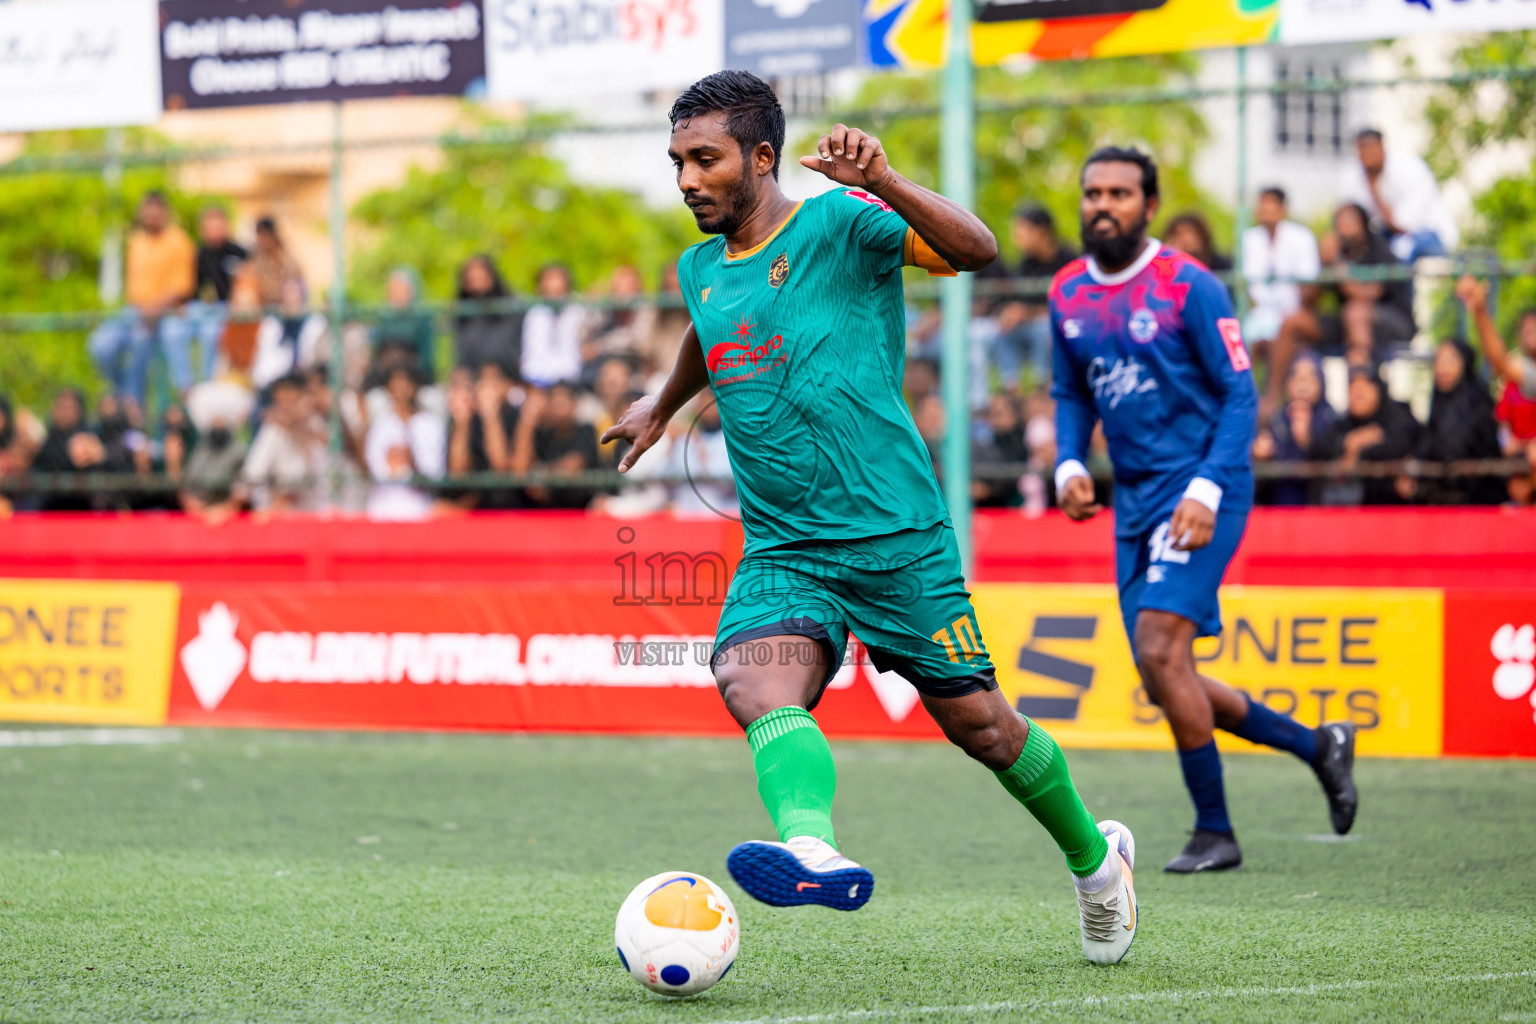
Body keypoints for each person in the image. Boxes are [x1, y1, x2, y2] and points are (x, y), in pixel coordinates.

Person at [601, 70, 1138, 965]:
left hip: (896, 539)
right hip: (783, 545)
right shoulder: (699, 266)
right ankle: (810, 845)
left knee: (986, 729)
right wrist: (664, 404)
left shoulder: (843, 223)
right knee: (749, 677)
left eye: (706, 159)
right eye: (677, 161)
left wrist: (882, 181)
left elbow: (977, 250)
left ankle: (1097, 864)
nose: (688, 178)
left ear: (762, 158)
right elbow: (711, 324)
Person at [1050, 146, 1358, 875]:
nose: (1104, 204)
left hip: (1203, 489)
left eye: (1121, 193)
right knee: (1167, 675)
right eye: (1093, 192)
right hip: (1134, 500)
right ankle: (1320, 746)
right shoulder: (1066, 292)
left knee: (1159, 650)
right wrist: (1068, 461)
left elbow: (1242, 396)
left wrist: (1208, 488)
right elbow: (1070, 393)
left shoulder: (1190, 286)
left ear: (1149, 206)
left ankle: (1215, 831)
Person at [1266, 203, 1416, 415]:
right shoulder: (1338, 253)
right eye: (1340, 222)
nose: (1344, 227)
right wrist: (1322, 262)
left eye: (1350, 221)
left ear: (1363, 224)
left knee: (1355, 312)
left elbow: (1363, 295)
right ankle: (1272, 401)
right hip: (1347, 325)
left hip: (1391, 322)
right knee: (1294, 321)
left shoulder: (1380, 250)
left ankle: (1359, 391)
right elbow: (1307, 300)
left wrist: (1336, 263)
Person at [88, 191, 196, 403]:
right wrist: (142, 309)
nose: (152, 218)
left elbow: (182, 288)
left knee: (140, 340)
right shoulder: (136, 242)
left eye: (156, 213)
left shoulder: (179, 241)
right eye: (148, 213)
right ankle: (120, 394)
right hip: (135, 311)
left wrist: (153, 308)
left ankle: (133, 403)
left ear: (165, 214)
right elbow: (133, 289)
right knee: (101, 345)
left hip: (166, 313)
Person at [1456, 277, 1536, 504]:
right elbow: (1500, 363)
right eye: (1526, 329)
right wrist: (1480, 312)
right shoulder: (1524, 376)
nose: (1530, 333)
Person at [1339, 128, 1459, 263]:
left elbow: (1400, 226)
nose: (1366, 156)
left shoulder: (1410, 169)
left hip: (1430, 235)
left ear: (1381, 148)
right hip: (1386, 237)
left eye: (1369, 149)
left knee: (1401, 249)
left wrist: (1373, 188)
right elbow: (1350, 220)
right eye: (1362, 150)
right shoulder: (1353, 172)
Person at [1407, 339, 1503, 505]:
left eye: (1450, 360)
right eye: (1438, 361)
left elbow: (1459, 447)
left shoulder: (1477, 401)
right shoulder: (1437, 403)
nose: (1443, 367)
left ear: (1465, 363)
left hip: (1478, 498)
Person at [993, 204, 1077, 386]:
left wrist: (1028, 313)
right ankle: (1011, 390)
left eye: (1021, 233)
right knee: (1002, 332)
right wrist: (1010, 314)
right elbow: (1018, 303)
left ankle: (1042, 391)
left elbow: (1074, 308)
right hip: (1030, 330)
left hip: (1063, 330)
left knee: (1043, 330)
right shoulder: (1026, 264)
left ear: (1042, 232)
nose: (1016, 240)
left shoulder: (1070, 261)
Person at [164, 205, 248, 383]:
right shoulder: (198, 254)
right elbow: (192, 290)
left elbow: (246, 286)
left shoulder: (240, 253)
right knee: (173, 329)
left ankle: (207, 382)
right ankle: (184, 385)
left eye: (218, 227)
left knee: (210, 334)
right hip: (202, 308)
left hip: (228, 309)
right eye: (210, 228)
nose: (214, 232)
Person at [1327, 367, 1422, 506]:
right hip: (1353, 507)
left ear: (1378, 390)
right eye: (1353, 390)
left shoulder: (1398, 416)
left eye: (1363, 389)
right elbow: (1321, 447)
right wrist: (1350, 442)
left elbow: (1410, 444)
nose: (1357, 395)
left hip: (1396, 505)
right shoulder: (1342, 424)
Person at [1240, 187, 1320, 352]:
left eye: (1271, 204)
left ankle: (1273, 380)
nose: (1265, 209)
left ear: (1282, 208)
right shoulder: (1249, 239)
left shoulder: (1301, 237)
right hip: (1259, 315)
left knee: (1286, 330)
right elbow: (1249, 287)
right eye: (1262, 204)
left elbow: (1309, 283)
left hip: (1292, 313)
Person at [1252, 356, 1336, 506]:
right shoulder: (1275, 420)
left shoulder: (1332, 418)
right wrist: (1261, 455)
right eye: (1296, 376)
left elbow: (1335, 461)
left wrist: (1307, 440)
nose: (1302, 381)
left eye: (1311, 376)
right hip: (1279, 508)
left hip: (1320, 507)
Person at [365, 365, 446, 520]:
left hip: (418, 512)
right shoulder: (380, 424)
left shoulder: (430, 424)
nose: (400, 391)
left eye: (404, 385)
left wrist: (411, 461)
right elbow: (371, 467)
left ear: (415, 387)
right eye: (394, 386)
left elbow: (435, 475)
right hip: (381, 512)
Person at [529, 381, 600, 509]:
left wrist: (545, 473)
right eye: (554, 404)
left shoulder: (586, 430)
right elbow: (534, 486)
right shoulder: (544, 435)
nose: (558, 410)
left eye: (562, 404)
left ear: (574, 404)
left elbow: (571, 467)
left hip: (581, 508)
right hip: (550, 510)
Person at [453, 255, 522, 378]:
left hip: (507, 376)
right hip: (474, 377)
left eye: (481, 278)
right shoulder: (463, 316)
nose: (478, 286)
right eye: (472, 280)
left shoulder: (511, 311)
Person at [520, 263, 587, 388]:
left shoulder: (579, 312)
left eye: (557, 280)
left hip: (572, 382)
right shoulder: (534, 314)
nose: (553, 285)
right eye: (548, 280)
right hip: (536, 381)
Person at [371, 267, 437, 384]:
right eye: (393, 291)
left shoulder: (421, 319)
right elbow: (377, 353)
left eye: (401, 290)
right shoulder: (384, 319)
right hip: (385, 378)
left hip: (414, 377)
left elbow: (426, 357)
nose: (396, 296)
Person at [250, 217, 305, 307]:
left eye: (264, 235)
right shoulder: (256, 257)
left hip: (286, 306)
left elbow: (295, 281)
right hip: (263, 306)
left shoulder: (286, 257)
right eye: (259, 235)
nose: (261, 239)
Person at [1163, 211, 1233, 275]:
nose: (1184, 239)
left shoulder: (1221, 265)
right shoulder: (1171, 260)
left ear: (1201, 236)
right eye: (1178, 234)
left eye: (1188, 232)